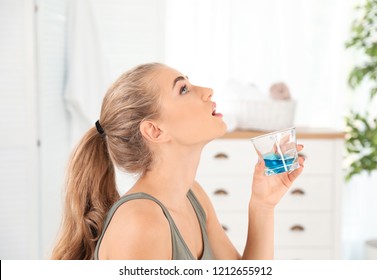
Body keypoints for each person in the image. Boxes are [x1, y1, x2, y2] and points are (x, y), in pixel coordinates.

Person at [51, 62, 305, 260]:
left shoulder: (193, 196)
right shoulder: (141, 223)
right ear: (155, 131)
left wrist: (262, 205)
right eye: (183, 89)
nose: (207, 92)